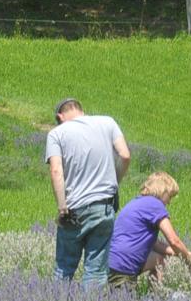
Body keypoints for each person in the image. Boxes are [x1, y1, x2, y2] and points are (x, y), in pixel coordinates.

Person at [45, 98, 131, 285]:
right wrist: (113, 183)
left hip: (74, 210)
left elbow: (56, 171)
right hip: (104, 208)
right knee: (96, 272)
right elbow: (125, 155)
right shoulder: (108, 122)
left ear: (60, 116)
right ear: (80, 110)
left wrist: (62, 209)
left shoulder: (56, 134)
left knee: (64, 268)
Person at [107, 172, 191, 291]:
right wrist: (189, 262)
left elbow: (156, 245)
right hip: (124, 268)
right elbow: (174, 241)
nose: (169, 202)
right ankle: (154, 298)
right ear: (162, 191)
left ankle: (152, 299)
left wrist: (189, 254)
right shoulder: (155, 205)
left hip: (108, 263)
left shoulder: (137, 202)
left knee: (159, 258)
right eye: (170, 196)